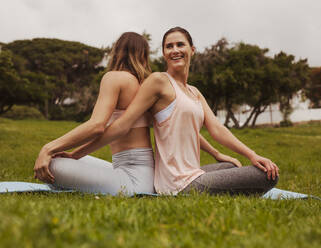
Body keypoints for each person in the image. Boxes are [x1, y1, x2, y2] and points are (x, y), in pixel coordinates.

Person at [63, 27, 279, 196]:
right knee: (266, 177)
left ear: (192, 50)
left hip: (193, 174)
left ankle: (221, 181)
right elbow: (122, 124)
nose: (175, 50)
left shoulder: (194, 92)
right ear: (164, 53)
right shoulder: (158, 81)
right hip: (177, 184)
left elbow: (215, 129)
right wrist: (77, 154)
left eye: (180, 44)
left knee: (229, 164)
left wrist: (233, 154)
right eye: (169, 46)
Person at [34, 31, 239, 196]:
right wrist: (216, 153)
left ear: (117, 51)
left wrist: (48, 148)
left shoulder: (113, 78)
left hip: (134, 180)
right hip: (140, 172)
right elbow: (186, 128)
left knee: (51, 163)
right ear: (144, 54)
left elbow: (97, 125)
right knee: (67, 159)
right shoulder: (148, 86)